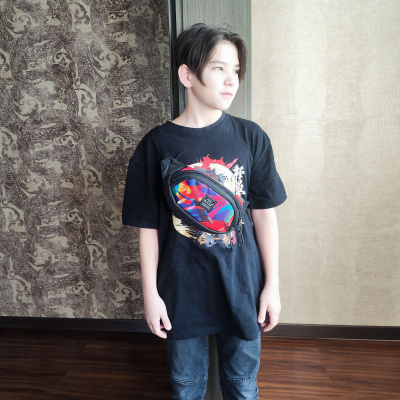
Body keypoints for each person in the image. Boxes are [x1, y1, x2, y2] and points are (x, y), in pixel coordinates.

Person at [122, 23, 286, 400]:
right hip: (181, 291)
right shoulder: (156, 145)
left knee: (243, 385)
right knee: (186, 388)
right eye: (218, 68)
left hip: (243, 286)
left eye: (236, 70)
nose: (231, 80)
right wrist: (151, 294)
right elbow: (148, 227)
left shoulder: (251, 137)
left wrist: (272, 286)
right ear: (187, 75)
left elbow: (264, 215)